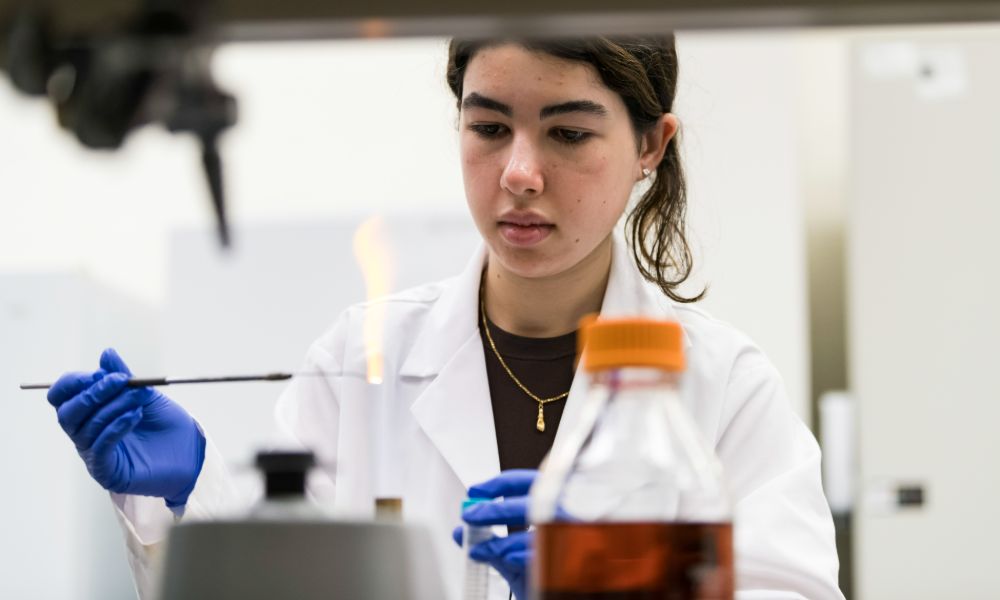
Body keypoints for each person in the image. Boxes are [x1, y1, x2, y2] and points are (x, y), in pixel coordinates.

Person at [45, 35, 844, 600]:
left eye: (568, 132)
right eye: (489, 127)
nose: (520, 173)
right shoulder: (361, 358)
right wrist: (187, 497)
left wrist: (616, 581)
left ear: (651, 144)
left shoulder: (725, 388)